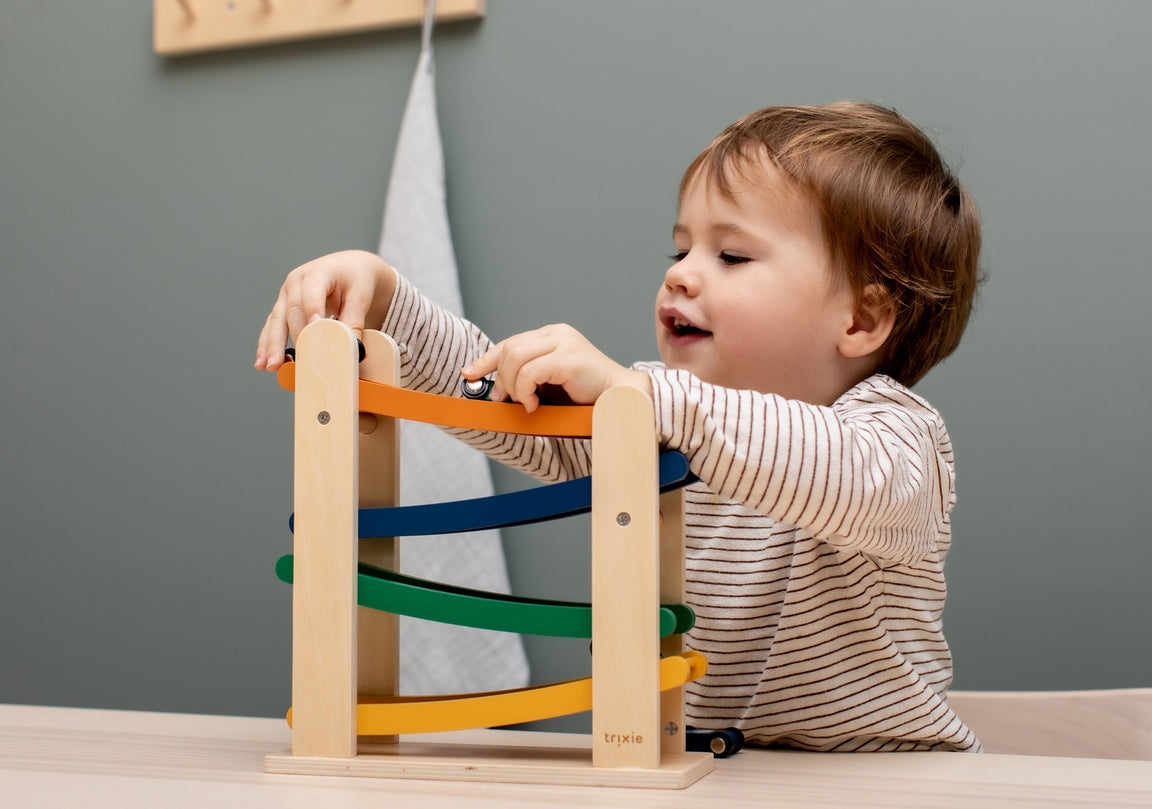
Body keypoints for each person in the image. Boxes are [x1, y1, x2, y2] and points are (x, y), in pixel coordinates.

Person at [255, 102, 984, 752]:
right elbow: (517, 417)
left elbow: (842, 476)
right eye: (680, 249)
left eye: (730, 255)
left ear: (862, 318)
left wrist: (643, 397)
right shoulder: (658, 409)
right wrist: (389, 304)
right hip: (699, 767)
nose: (682, 275)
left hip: (891, 780)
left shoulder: (897, 438)